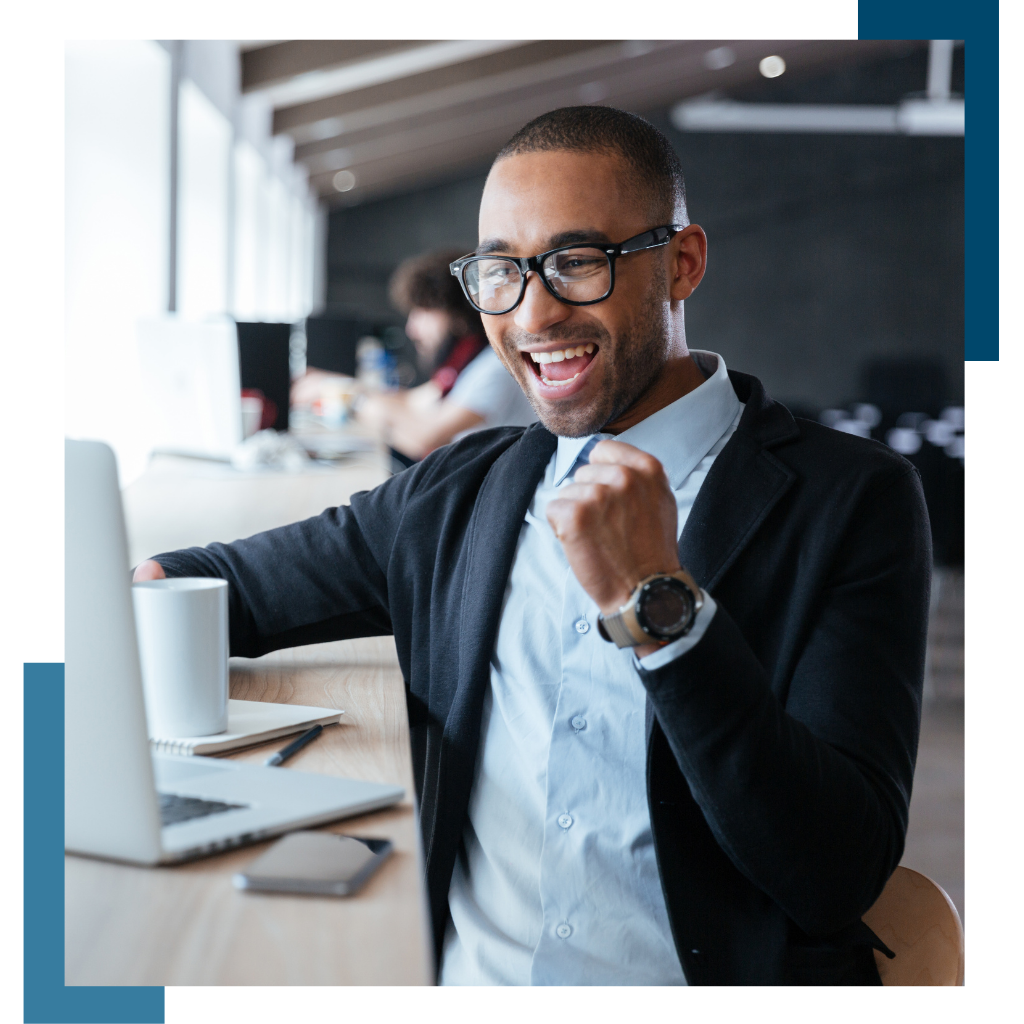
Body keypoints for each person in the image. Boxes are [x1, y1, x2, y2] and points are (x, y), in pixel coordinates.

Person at [134, 107, 929, 986]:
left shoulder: (851, 499)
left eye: (577, 262)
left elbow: (835, 873)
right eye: (502, 272)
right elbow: (215, 585)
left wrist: (660, 604)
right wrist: (119, 601)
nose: (534, 312)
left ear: (683, 262)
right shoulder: (461, 491)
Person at [295, 251, 536, 465]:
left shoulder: (493, 367)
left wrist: (351, 398)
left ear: (458, 314)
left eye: (423, 312)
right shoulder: (464, 362)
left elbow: (425, 437)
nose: (412, 328)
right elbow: (412, 402)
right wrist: (335, 384)